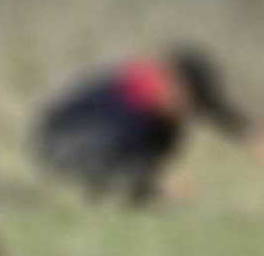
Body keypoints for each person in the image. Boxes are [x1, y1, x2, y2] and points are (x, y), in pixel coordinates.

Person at [28, 47, 242, 201]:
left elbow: (212, 109)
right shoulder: (133, 96)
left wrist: (251, 134)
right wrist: (155, 176)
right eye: (186, 101)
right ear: (172, 84)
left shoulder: (167, 100)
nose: (188, 111)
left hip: (108, 148)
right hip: (64, 144)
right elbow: (114, 145)